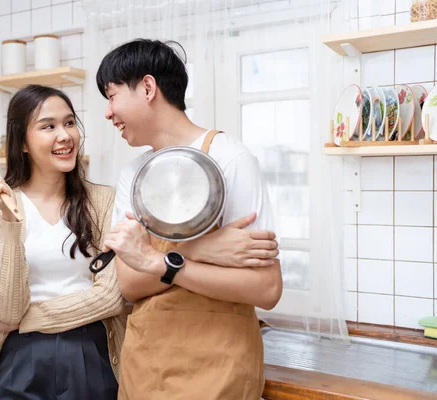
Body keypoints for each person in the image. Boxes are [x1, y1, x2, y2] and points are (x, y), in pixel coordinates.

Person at [97, 39, 283, 399]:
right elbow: (130, 284)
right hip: (146, 367)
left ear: (148, 88)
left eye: (112, 95)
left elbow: (266, 289)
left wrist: (159, 262)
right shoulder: (133, 175)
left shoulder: (230, 159)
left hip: (219, 371)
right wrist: (200, 247)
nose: (108, 112)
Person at [0, 85, 126, 400]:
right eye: (48, 126)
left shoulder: (103, 200)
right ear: (23, 143)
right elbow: (7, 307)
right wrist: (11, 221)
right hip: (21, 358)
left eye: (69, 123)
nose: (65, 135)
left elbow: (110, 297)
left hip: (90, 352)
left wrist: (22, 321)